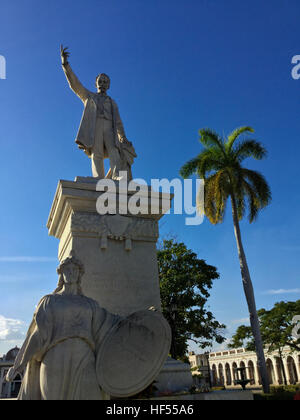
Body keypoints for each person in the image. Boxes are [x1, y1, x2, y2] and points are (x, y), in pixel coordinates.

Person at [6, 253, 120, 400]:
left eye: (75, 270)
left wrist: (141, 320)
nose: (71, 273)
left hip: (85, 358)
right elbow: (38, 336)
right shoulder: (50, 301)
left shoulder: (90, 304)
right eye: (67, 270)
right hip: (55, 359)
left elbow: (112, 323)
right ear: (61, 274)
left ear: (80, 275)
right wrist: (18, 365)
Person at [60, 46, 136, 180]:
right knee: (97, 153)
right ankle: (98, 179)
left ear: (109, 86)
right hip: (95, 126)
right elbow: (75, 85)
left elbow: (118, 122)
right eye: (100, 81)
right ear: (95, 83)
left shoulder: (112, 103)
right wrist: (65, 65)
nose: (102, 83)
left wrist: (122, 137)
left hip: (109, 128)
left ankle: (118, 176)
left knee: (114, 151)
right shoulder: (89, 97)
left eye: (105, 82)